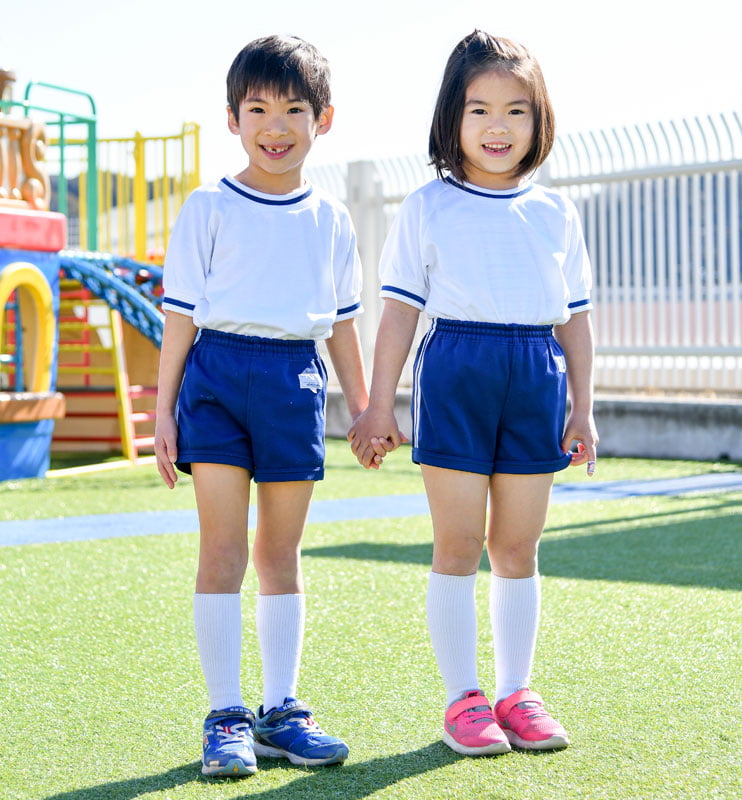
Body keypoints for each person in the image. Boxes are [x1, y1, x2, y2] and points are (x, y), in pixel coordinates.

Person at [349, 30, 598, 756]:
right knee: (458, 544)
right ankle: (464, 699)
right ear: (451, 118)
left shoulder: (556, 213)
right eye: (479, 109)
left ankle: (518, 691)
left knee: (518, 545)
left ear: (539, 120)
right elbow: (397, 310)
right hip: (456, 368)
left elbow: (575, 319)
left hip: (535, 376)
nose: (497, 126)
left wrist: (583, 405)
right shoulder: (429, 205)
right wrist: (377, 403)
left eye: (517, 111)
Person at [155, 35, 370, 777]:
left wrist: (367, 406)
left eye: (293, 109)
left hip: (293, 384)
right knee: (222, 552)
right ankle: (225, 716)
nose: (275, 126)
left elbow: (343, 324)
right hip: (215, 380)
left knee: (280, 554)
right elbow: (179, 315)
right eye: (258, 109)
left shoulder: (333, 220)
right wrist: (162, 414)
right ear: (232, 118)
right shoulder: (209, 204)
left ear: (325, 119)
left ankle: (282, 711)